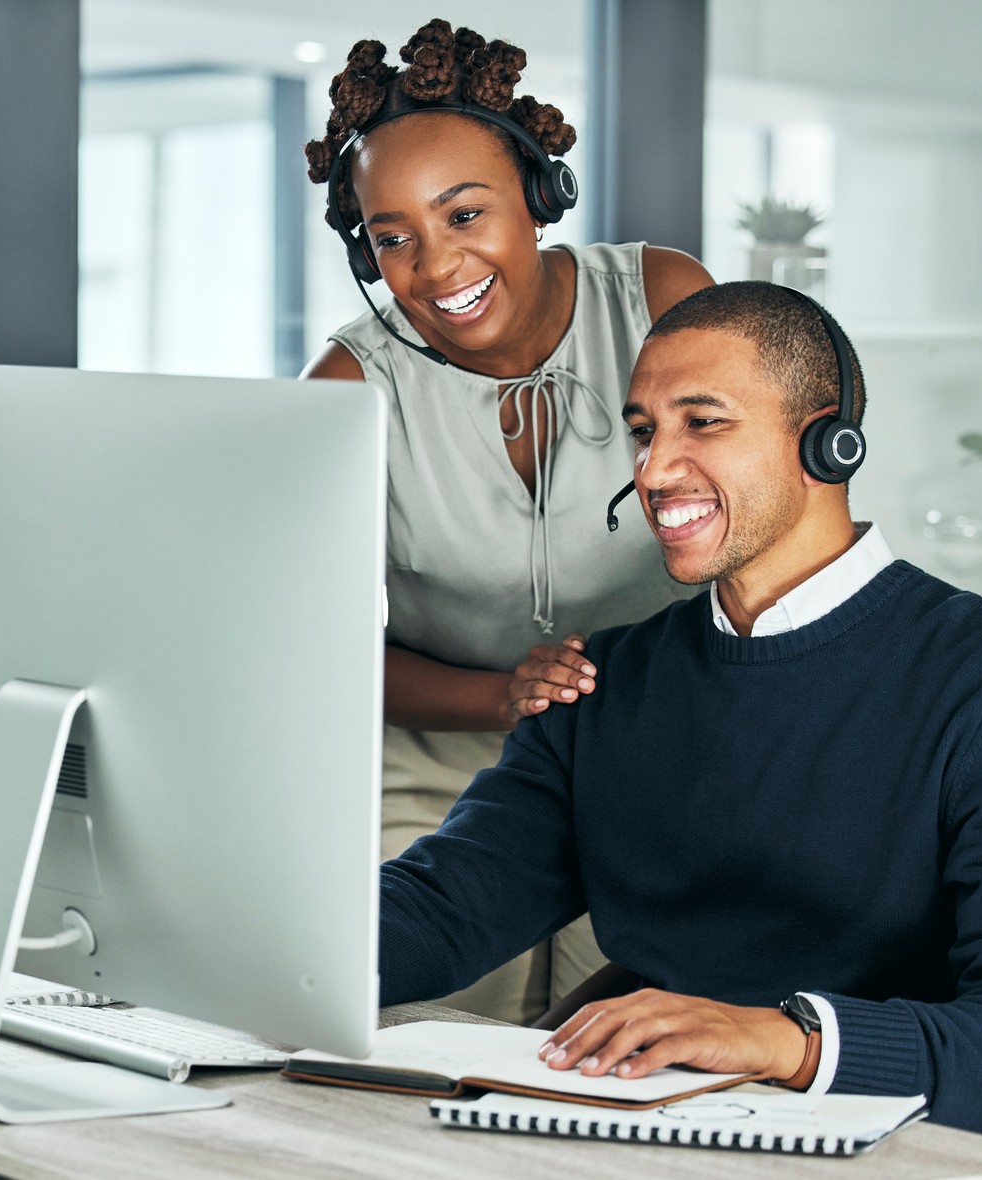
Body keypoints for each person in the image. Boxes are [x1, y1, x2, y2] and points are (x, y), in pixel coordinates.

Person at [378, 281, 982, 1140]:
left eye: (704, 422)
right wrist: (236, 937)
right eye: (644, 432)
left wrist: (780, 1040)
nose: (653, 470)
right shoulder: (605, 680)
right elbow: (448, 907)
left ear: (827, 442)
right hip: (645, 1132)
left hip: (883, 1145)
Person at [301, 19, 714, 1022]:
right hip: (432, 770)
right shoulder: (349, 387)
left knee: (610, 1065)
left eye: (464, 214)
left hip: (655, 761)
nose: (437, 267)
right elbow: (316, 652)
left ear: (538, 197)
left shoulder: (667, 301)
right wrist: (500, 699)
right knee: (409, 1050)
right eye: (392, 237)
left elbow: (765, 519)